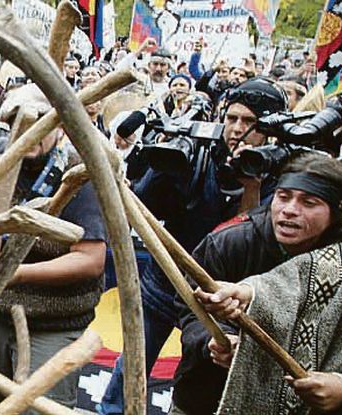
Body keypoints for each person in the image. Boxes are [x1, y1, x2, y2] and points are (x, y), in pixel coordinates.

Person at [98, 77, 289, 415]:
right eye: (231, 118)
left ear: (271, 128)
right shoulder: (198, 150)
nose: (236, 129)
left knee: (196, 391)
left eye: (249, 122)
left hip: (220, 302)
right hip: (164, 285)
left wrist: (252, 186)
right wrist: (166, 163)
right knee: (130, 371)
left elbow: (250, 241)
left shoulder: (281, 175)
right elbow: (142, 204)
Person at [0, 85, 107, 413]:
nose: (30, 134)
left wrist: (16, 273)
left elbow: (91, 260)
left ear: (57, 128)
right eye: (20, 124)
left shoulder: (79, 177)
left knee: (37, 410)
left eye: (40, 124)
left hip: (53, 327)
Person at [171, 152, 342, 414]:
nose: (289, 209)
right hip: (207, 397)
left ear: (338, 210)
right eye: (283, 196)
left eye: (308, 202)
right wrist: (214, 339)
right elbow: (189, 308)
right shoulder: (229, 243)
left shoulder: (340, 260)